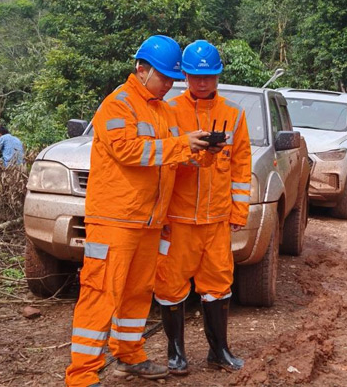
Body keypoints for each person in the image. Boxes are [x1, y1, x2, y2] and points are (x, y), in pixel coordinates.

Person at [64, 35, 210, 387]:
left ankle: (129, 355)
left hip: (148, 220)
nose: (169, 84)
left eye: (173, 78)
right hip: (115, 219)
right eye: (164, 77)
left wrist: (199, 150)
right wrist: (179, 145)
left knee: (139, 291)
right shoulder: (118, 105)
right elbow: (128, 151)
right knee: (101, 292)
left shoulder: (162, 110)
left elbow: (169, 156)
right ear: (141, 70)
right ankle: (82, 374)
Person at [155, 39, 251, 375]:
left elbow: (241, 167)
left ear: (218, 75)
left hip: (217, 220)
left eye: (209, 76)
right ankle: (176, 353)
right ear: (184, 75)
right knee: (170, 284)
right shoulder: (169, 111)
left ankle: (219, 352)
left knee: (219, 283)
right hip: (178, 219)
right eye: (196, 76)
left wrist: (239, 212)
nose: (202, 82)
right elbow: (162, 165)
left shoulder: (234, 115)